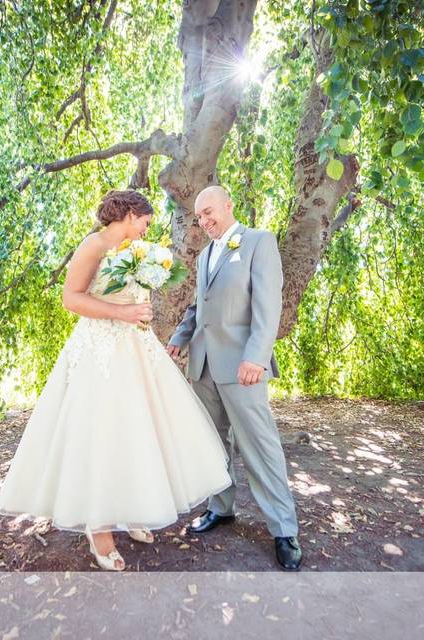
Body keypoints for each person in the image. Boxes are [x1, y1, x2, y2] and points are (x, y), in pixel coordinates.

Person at [0, 189, 232, 571]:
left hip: (137, 352)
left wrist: (141, 308)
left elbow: (131, 295)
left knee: (139, 430)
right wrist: (119, 314)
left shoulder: (136, 251)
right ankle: (99, 528)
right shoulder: (95, 245)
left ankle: (133, 509)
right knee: (101, 434)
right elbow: (71, 299)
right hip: (100, 354)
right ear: (129, 214)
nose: (146, 230)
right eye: (145, 222)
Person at [166, 185, 303, 571]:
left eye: (209, 212)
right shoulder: (205, 255)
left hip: (243, 367)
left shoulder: (259, 242)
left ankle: (283, 530)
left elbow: (268, 305)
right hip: (203, 365)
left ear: (228, 205)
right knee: (213, 443)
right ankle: (220, 508)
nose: (205, 221)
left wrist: (256, 357)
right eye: (199, 217)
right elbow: (200, 305)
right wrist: (180, 338)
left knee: (260, 446)